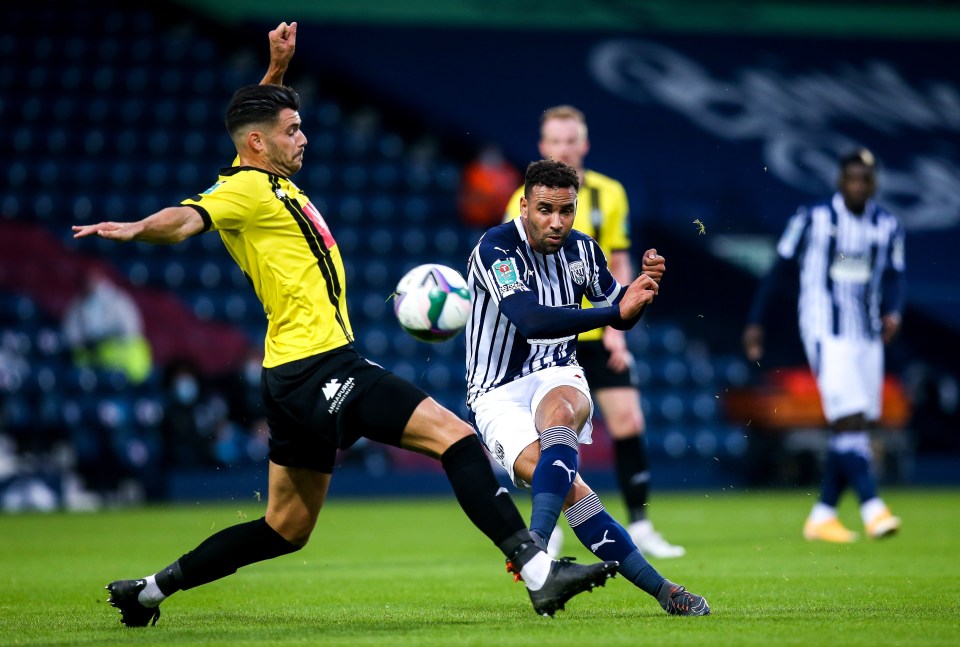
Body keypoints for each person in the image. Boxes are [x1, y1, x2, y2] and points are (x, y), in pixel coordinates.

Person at [72, 22, 618, 627]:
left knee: (285, 529)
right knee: (458, 440)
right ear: (259, 143)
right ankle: (540, 574)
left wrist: (275, 70)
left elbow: (251, 121)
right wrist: (134, 228)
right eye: (292, 130)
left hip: (288, 375)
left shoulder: (261, 174)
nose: (304, 138)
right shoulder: (243, 193)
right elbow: (183, 219)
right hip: (321, 366)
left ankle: (146, 593)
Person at [468, 159, 710, 616]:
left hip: (557, 371)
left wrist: (642, 292)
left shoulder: (584, 251)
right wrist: (615, 314)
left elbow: (620, 308)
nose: (556, 222)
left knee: (561, 412)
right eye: (544, 209)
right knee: (573, 491)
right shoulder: (495, 249)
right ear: (523, 206)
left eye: (566, 210)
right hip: (495, 391)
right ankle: (662, 589)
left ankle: (535, 545)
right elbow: (531, 319)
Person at [502, 105, 684, 559]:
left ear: (583, 144)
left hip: (599, 333)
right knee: (546, 436)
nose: (563, 148)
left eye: (570, 140)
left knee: (629, 421)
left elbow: (617, 259)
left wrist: (618, 321)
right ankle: (554, 527)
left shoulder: (610, 194)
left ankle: (640, 525)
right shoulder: (518, 202)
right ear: (544, 148)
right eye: (555, 142)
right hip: (545, 341)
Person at [743, 148, 905, 543]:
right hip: (824, 329)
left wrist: (894, 312)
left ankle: (823, 514)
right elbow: (778, 268)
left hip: (866, 331)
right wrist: (755, 320)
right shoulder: (813, 219)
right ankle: (873, 507)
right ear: (839, 181)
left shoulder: (887, 225)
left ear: (873, 184)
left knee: (858, 422)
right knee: (847, 417)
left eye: (864, 180)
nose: (857, 186)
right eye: (851, 178)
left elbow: (896, 276)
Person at [62, 266, 153, 385]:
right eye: (88, 281)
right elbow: (72, 337)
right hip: (93, 354)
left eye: (94, 280)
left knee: (137, 351)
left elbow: (132, 328)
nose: (91, 284)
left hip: (119, 351)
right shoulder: (76, 306)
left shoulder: (118, 300)